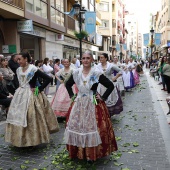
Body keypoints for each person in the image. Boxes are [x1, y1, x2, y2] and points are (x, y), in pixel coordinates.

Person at [64, 51, 118, 162]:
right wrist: (71, 95)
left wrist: (102, 98)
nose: (85, 60)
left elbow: (110, 85)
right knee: (77, 126)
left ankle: (91, 154)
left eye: (88, 58)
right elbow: (67, 84)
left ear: (92, 60)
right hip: (79, 103)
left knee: (91, 127)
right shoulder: (76, 72)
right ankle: (79, 152)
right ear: (81, 60)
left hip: (92, 103)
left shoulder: (96, 73)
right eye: (83, 58)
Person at [5, 52, 59, 147]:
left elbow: (48, 78)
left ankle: (33, 140)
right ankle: (21, 139)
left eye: (20, 59)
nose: (18, 61)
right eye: (17, 59)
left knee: (31, 116)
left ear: (26, 59)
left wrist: (39, 88)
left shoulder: (33, 69)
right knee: (18, 115)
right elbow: (19, 82)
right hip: (20, 95)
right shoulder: (18, 70)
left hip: (32, 95)